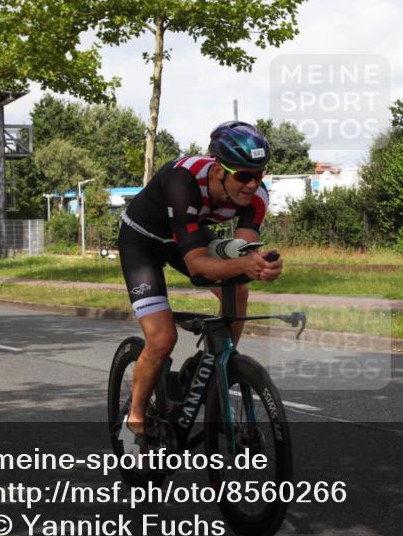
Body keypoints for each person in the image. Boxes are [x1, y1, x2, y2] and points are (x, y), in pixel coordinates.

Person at [117, 120, 283, 451]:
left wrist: (259, 266)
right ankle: (134, 418)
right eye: (243, 176)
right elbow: (196, 265)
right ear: (218, 170)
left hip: (184, 237)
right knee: (162, 338)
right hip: (142, 242)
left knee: (238, 288)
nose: (252, 184)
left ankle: (216, 366)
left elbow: (240, 252)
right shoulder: (183, 181)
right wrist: (243, 264)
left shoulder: (257, 195)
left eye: (259, 174)